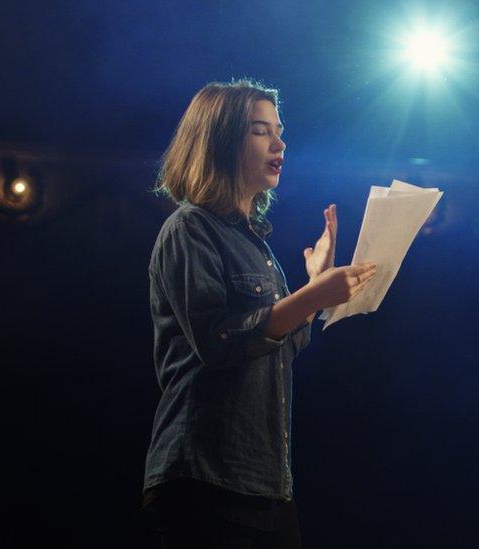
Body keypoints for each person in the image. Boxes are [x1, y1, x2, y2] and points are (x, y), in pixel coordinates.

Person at [142, 79, 377, 548]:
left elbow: (278, 342)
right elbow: (219, 342)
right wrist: (312, 297)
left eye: (279, 130)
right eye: (259, 130)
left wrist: (314, 288)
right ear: (220, 140)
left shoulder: (257, 247)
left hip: (265, 480)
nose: (279, 143)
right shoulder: (189, 228)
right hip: (203, 478)